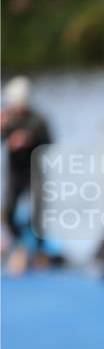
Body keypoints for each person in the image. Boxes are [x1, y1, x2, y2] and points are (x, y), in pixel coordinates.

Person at [1, 75, 54, 274]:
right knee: (7, 212)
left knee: (38, 214)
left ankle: (39, 252)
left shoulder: (37, 120)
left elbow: (50, 142)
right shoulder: (7, 118)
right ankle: (19, 246)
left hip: (35, 170)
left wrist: (28, 139)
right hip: (15, 173)